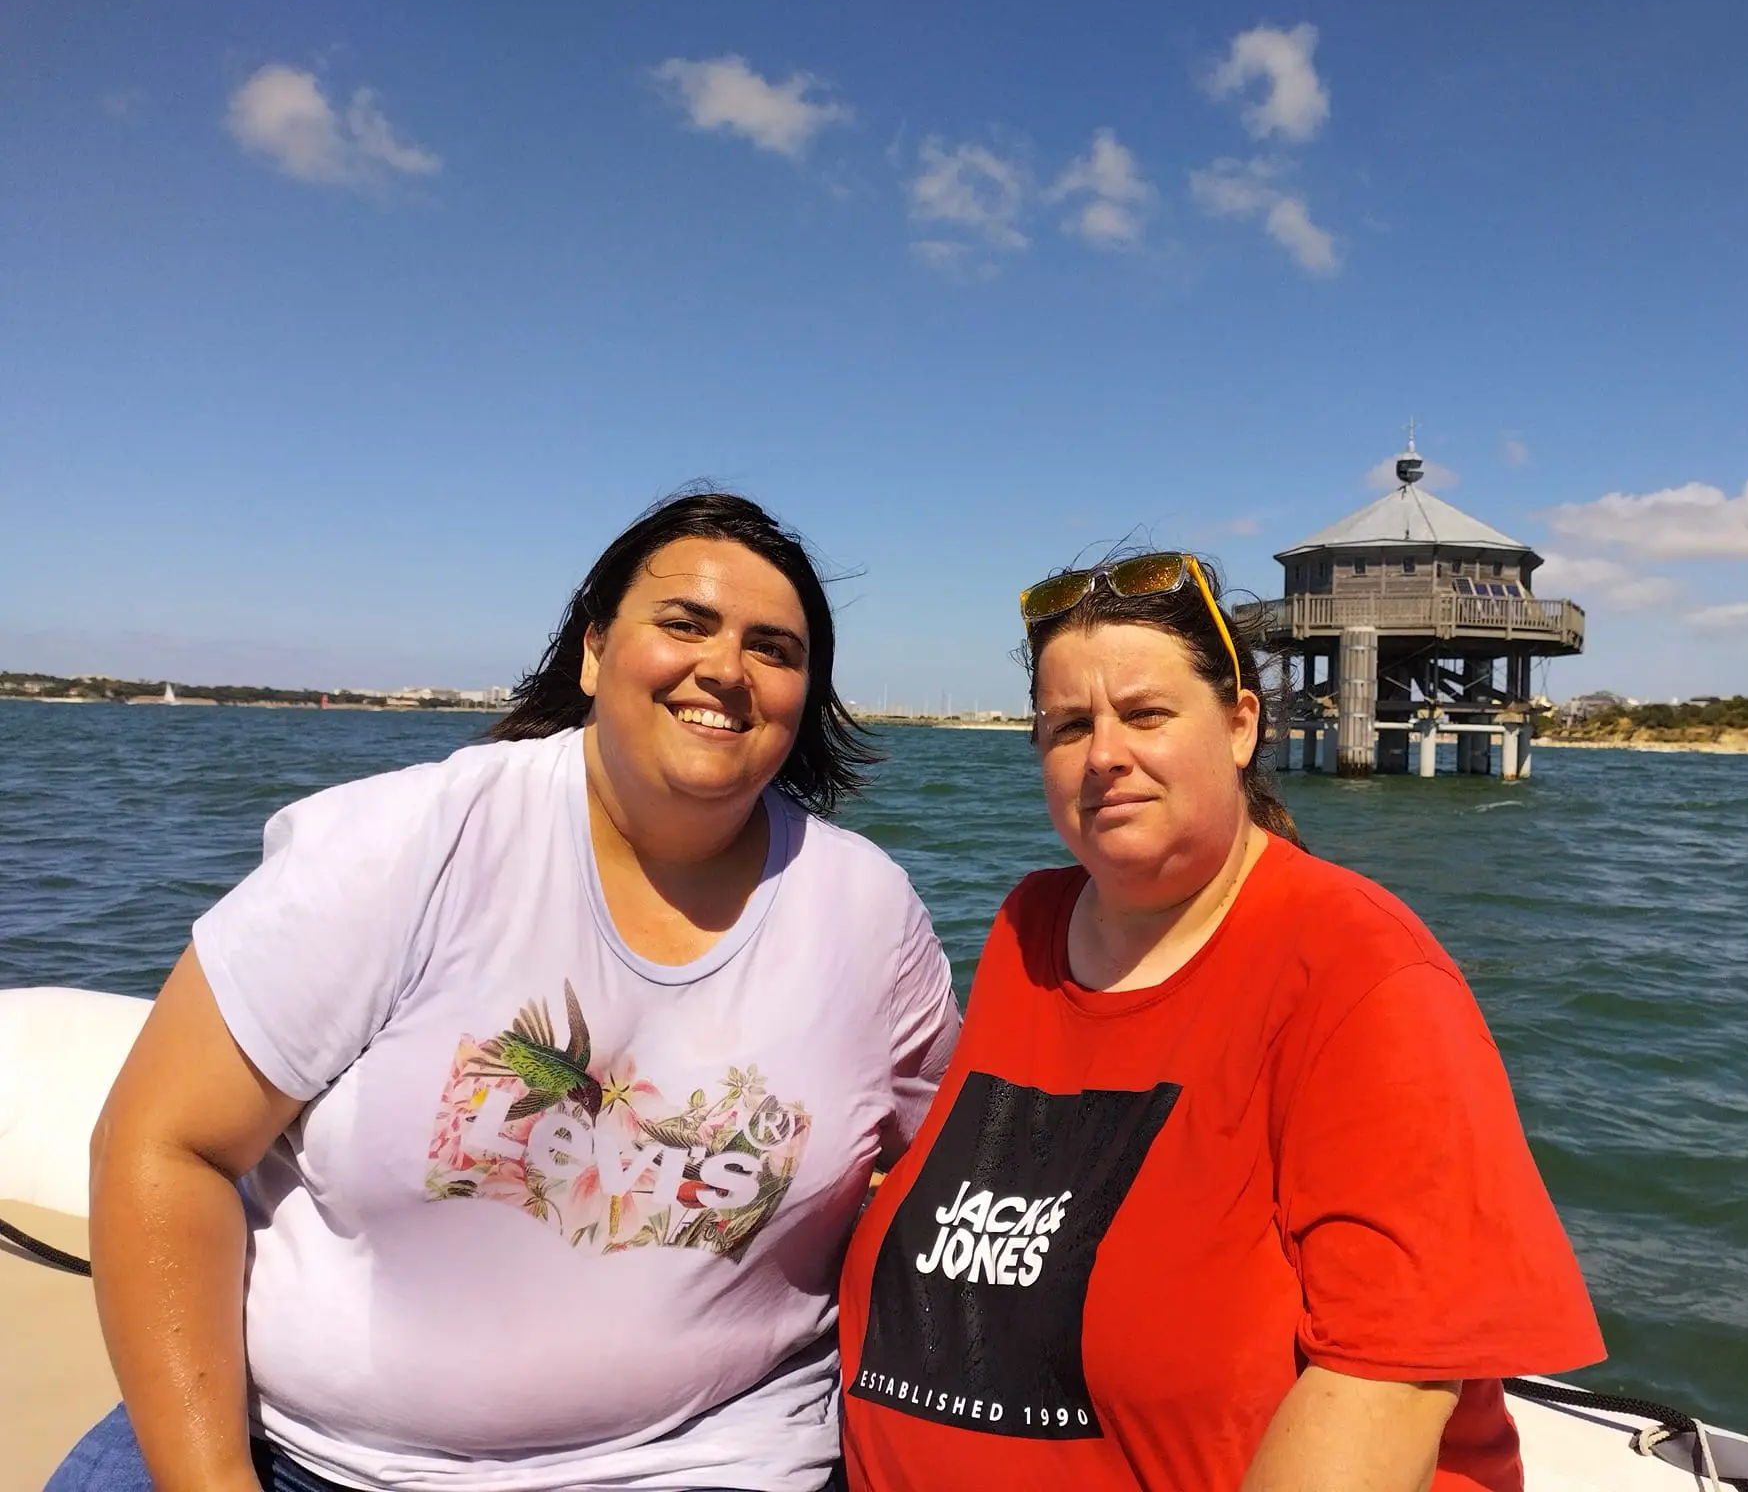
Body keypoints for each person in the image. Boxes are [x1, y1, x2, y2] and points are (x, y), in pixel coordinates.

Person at [54, 492, 960, 1492]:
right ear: (592, 652)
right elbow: (164, 1143)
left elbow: (954, 1178)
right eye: (683, 623)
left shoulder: (865, 910)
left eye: (774, 649)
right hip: (301, 1454)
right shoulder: (412, 842)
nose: (725, 669)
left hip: (710, 1456)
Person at [837, 551, 1603, 1492]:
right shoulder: (1027, 928)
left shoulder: (1359, 969)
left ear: (1241, 724)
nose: (1106, 754)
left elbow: (1388, 1378)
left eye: (1147, 714)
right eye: (1069, 725)